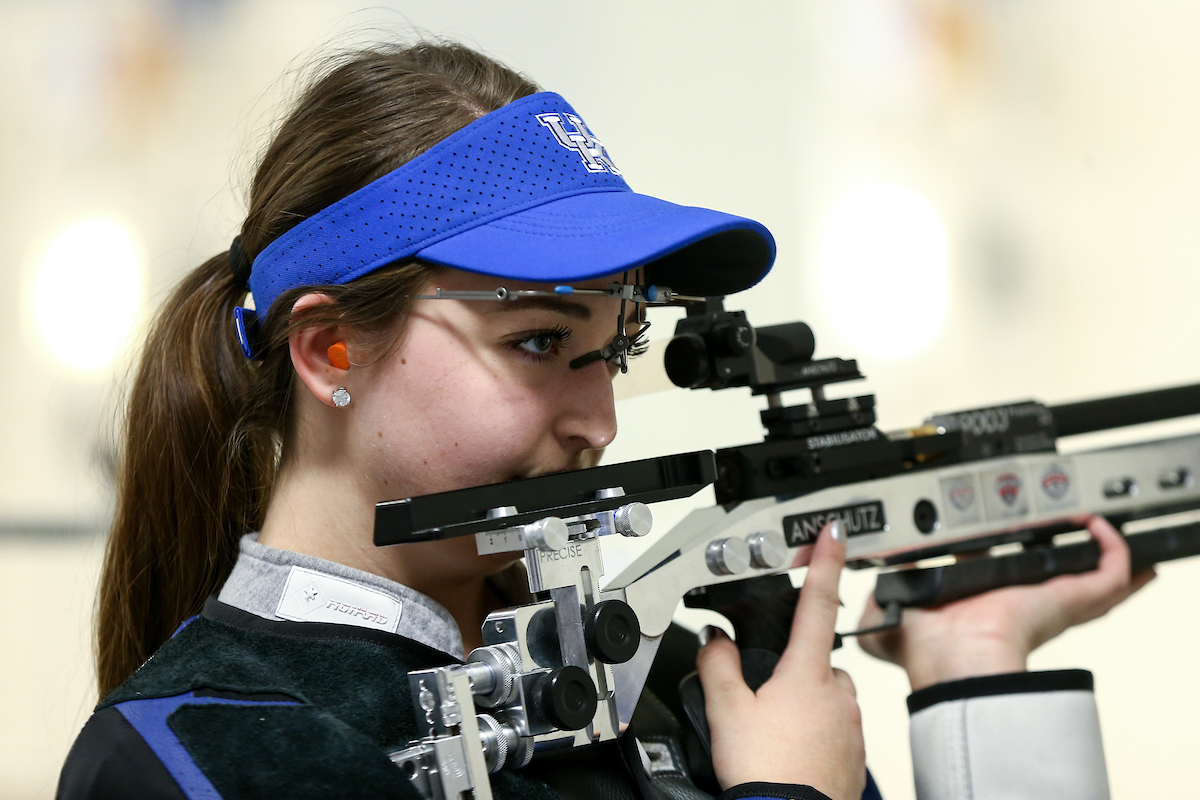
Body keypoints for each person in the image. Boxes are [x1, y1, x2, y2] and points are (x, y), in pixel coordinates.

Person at [55, 40, 1150, 800]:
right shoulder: (195, 750)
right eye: (538, 341)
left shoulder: (673, 682)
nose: (600, 421)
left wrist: (974, 667)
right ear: (329, 346)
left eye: (615, 352)